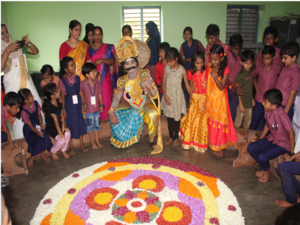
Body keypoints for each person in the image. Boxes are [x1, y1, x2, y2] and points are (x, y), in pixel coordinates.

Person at [109, 36, 162, 154]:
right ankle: (127, 137)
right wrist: (112, 111)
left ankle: (152, 138)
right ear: (124, 66)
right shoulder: (122, 81)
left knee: (153, 113)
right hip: (131, 107)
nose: (130, 65)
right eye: (127, 63)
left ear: (136, 62)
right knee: (116, 112)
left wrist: (149, 85)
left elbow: (154, 93)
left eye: (132, 62)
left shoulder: (145, 74)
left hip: (146, 104)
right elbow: (117, 97)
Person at [1, 23, 42, 140]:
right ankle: (22, 141)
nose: (5, 35)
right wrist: (7, 51)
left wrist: (29, 42)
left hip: (27, 84)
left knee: (36, 106)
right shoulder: (3, 50)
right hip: (13, 87)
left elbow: (35, 51)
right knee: (19, 115)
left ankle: (40, 136)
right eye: (2, 33)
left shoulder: (17, 46)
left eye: (6, 32)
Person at [248, 89, 295, 183]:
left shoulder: (282, 115)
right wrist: (261, 139)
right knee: (251, 147)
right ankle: (265, 167)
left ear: (274, 105)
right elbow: (267, 125)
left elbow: (291, 133)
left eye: (265, 102)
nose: (263, 103)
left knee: (262, 156)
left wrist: (291, 152)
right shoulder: (267, 111)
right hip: (272, 138)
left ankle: (266, 171)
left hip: (282, 143)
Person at [205, 44, 238, 156]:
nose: (213, 62)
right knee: (211, 124)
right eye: (211, 59)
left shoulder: (225, 69)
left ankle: (221, 148)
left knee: (219, 125)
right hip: (210, 100)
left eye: (215, 59)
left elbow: (221, 86)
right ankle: (214, 145)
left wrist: (214, 76)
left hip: (219, 102)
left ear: (222, 58)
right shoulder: (210, 66)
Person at [161, 47, 190, 147]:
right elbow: (163, 82)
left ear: (177, 58)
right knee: (169, 118)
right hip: (168, 95)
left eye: (171, 61)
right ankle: (170, 136)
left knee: (176, 118)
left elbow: (187, 85)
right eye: (168, 61)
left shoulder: (182, 69)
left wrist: (192, 97)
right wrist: (165, 95)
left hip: (177, 97)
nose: (169, 63)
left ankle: (176, 138)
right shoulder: (166, 68)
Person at [179, 51, 208, 152]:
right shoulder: (190, 72)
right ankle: (190, 141)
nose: (200, 65)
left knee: (202, 120)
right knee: (192, 118)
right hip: (195, 98)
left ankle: (200, 142)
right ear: (193, 63)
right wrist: (190, 99)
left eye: (201, 62)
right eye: (197, 63)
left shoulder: (207, 70)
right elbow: (191, 87)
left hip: (205, 98)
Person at [58, 57, 88, 154]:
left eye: (74, 65)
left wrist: (84, 104)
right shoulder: (62, 81)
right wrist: (63, 110)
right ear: (65, 69)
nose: (74, 67)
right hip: (69, 106)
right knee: (70, 124)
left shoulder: (78, 78)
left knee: (79, 122)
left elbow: (81, 92)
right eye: (71, 66)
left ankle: (81, 144)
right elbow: (62, 97)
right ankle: (71, 147)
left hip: (77, 105)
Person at [89, 26, 119, 120]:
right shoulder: (88, 48)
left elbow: (113, 61)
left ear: (102, 35)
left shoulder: (108, 47)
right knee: (94, 101)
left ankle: (107, 122)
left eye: (99, 34)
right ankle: (98, 126)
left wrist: (102, 60)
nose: (97, 37)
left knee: (106, 99)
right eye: (95, 34)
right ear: (93, 36)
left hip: (105, 79)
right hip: (92, 79)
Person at [18, 88, 52, 167]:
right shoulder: (23, 111)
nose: (32, 96)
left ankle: (42, 154)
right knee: (37, 141)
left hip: (37, 125)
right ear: (25, 101)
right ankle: (32, 158)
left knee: (45, 137)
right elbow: (30, 126)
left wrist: (41, 124)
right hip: (30, 129)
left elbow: (39, 115)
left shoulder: (35, 103)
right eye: (30, 96)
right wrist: (37, 131)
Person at [250, 46, 280, 131]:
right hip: (260, 98)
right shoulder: (259, 68)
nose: (265, 61)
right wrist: (256, 89)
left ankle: (261, 137)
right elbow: (253, 76)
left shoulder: (277, 68)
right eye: (263, 58)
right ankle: (250, 135)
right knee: (256, 118)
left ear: (273, 58)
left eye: (268, 58)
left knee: (266, 120)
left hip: (270, 101)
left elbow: (279, 78)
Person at [43, 83, 70, 160]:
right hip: (52, 127)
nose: (58, 91)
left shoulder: (58, 100)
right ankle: (53, 151)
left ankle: (63, 150)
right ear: (52, 96)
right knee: (61, 141)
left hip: (59, 124)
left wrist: (63, 126)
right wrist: (60, 132)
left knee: (68, 133)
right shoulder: (48, 105)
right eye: (56, 91)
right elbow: (55, 119)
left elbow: (61, 113)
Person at [180, 27, 206, 106]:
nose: (186, 36)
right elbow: (180, 59)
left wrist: (197, 58)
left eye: (188, 34)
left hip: (197, 69)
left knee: (198, 86)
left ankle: (199, 104)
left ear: (191, 34)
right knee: (187, 88)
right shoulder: (183, 46)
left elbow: (204, 52)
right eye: (185, 34)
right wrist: (188, 59)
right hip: (187, 69)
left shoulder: (197, 43)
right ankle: (190, 104)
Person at [275, 40, 300, 121]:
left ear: (294, 58)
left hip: (285, 106)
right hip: (278, 103)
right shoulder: (286, 67)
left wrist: (285, 112)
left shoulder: (295, 73)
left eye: (285, 58)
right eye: (282, 58)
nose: (282, 60)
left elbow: (292, 95)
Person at [81, 63, 104, 149]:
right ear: (87, 75)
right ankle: (92, 142)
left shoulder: (97, 82)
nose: (96, 74)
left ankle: (97, 141)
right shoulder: (83, 84)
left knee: (97, 125)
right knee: (90, 127)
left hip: (96, 109)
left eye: (95, 72)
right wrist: (83, 105)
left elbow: (99, 93)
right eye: (93, 72)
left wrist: (101, 104)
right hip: (88, 110)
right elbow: (81, 95)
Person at [234, 50, 255, 129]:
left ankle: (245, 137)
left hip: (249, 103)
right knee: (238, 122)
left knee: (248, 121)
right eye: (246, 63)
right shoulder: (240, 76)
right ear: (241, 63)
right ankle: (235, 137)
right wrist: (241, 105)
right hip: (241, 103)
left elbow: (250, 88)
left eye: (250, 63)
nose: (248, 66)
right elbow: (238, 91)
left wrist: (252, 99)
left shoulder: (250, 73)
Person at [226, 34, 243, 122]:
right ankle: (229, 124)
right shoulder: (226, 59)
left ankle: (233, 123)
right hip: (226, 86)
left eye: (239, 49)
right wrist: (233, 86)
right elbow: (224, 77)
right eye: (235, 49)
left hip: (235, 85)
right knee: (234, 100)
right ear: (229, 47)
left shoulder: (240, 60)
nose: (237, 51)